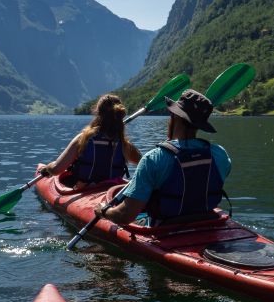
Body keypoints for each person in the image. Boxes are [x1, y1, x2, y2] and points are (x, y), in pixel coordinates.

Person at [94, 89, 231, 226]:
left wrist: (104, 211)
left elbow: (124, 216)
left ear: (175, 116)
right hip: (206, 223)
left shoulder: (153, 159)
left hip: (165, 228)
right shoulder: (220, 155)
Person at [38, 94, 141, 187]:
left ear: (98, 114)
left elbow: (56, 170)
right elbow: (144, 163)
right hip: (113, 189)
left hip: (86, 188)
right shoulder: (124, 144)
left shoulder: (83, 138)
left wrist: (47, 168)